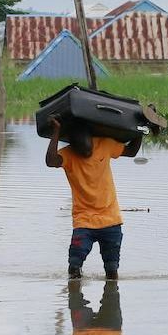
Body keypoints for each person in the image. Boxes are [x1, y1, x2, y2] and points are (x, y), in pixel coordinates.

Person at [45, 115, 127, 279]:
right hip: (84, 221)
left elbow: (131, 151)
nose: (86, 152)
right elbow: (50, 161)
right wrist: (56, 132)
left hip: (110, 220)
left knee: (112, 271)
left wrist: (142, 129)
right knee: (74, 265)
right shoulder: (68, 154)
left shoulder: (105, 144)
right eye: (81, 149)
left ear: (92, 138)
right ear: (72, 145)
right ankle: (75, 297)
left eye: (87, 147)